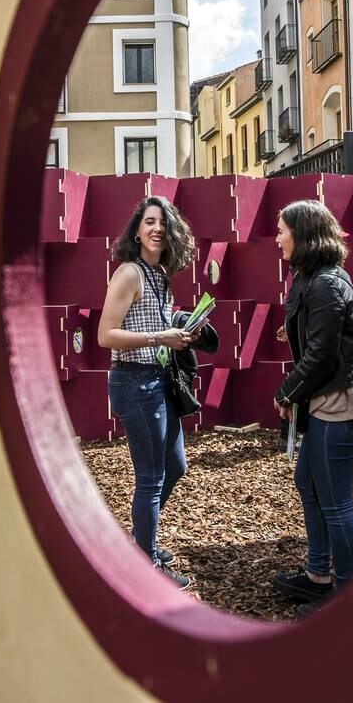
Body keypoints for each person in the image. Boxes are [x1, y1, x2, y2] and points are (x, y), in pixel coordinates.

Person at [269, 200, 353, 615]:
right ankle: (318, 577)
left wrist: (286, 393)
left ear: (303, 235)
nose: (277, 238)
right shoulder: (310, 278)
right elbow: (317, 332)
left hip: (337, 402)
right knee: (309, 485)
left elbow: (320, 356)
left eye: (282, 231)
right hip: (322, 399)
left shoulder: (326, 283)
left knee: (336, 503)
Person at [97, 195, 201, 589]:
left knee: (175, 466)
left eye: (163, 223)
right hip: (133, 382)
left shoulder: (159, 275)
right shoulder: (129, 273)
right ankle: (145, 563)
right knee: (151, 477)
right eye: (149, 222)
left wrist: (183, 323)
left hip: (157, 379)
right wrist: (160, 334)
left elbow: (154, 319)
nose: (157, 229)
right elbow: (105, 335)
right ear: (137, 231)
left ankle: (141, 541)